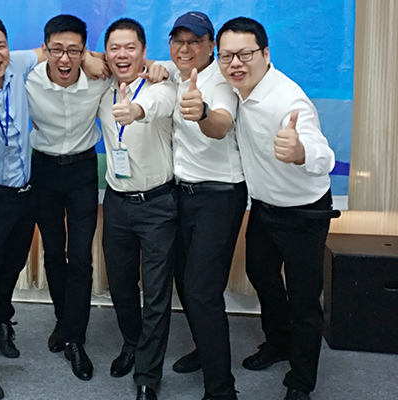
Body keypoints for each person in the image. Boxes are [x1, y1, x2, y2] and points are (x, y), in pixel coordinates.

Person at [0, 13, 106, 399]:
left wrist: (86, 56)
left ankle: (39, 327)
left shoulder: (19, 64)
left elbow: (61, 50)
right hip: (2, 190)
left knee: (38, 261)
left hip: (42, 185)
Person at [216, 17, 337, 400]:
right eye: (227, 56)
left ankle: (301, 382)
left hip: (304, 213)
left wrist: (300, 151)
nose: (235, 63)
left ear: (266, 54)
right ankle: (278, 343)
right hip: (265, 208)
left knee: (304, 299)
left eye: (245, 54)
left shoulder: (288, 100)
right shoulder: (234, 88)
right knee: (261, 275)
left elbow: (324, 154)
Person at [163, 11, 246, 400]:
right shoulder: (174, 72)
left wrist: (202, 114)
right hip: (183, 194)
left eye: (194, 41)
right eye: (178, 41)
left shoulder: (221, 81)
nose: (185, 48)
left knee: (201, 290)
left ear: (211, 45)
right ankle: (205, 347)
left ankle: (221, 389)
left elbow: (222, 124)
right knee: (184, 281)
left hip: (219, 196)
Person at [26, 14, 111, 381]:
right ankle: (64, 320)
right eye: (56, 50)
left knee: (80, 256)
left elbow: (134, 60)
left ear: (84, 51)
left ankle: (75, 338)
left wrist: (93, 58)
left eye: (73, 51)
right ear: (44, 49)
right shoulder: (28, 78)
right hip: (44, 170)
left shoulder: (99, 77)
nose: (64, 59)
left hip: (81, 171)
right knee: (52, 252)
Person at [99, 18, 177, 400]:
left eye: (130, 47)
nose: (122, 54)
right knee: (120, 284)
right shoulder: (102, 90)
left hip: (158, 205)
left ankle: (148, 375)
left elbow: (157, 105)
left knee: (157, 292)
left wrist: (136, 110)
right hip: (116, 203)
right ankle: (132, 342)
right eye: (114, 48)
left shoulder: (162, 86)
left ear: (144, 51)